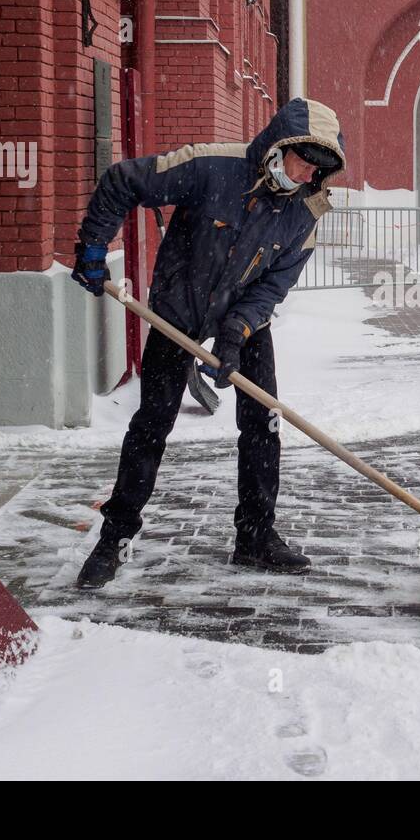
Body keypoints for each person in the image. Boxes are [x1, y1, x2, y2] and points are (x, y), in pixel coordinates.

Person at [69, 97, 346, 587]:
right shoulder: (212, 166)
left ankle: (256, 536)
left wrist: (237, 333)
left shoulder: (306, 213)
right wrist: (94, 246)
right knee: (153, 423)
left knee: (264, 421)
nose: (306, 178)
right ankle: (115, 536)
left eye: (317, 173)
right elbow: (122, 181)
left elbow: (272, 286)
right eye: (304, 163)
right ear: (282, 146)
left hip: (245, 320)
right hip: (179, 310)